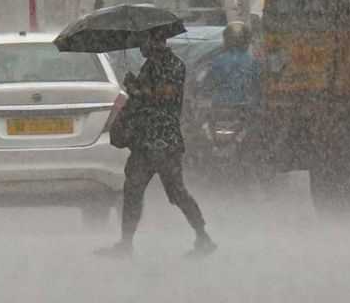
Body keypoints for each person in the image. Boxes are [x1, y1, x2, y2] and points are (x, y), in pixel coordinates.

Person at [97, 32, 215, 258]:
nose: (140, 47)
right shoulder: (149, 66)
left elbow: (166, 95)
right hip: (144, 141)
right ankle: (126, 243)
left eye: (143, 42)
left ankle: (203, 236)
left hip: (163, 141)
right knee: (133, 190)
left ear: (155, 42)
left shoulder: (174, 65)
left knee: (176, 192)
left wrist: (138, 90)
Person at [200, 21, 261, 109]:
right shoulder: (253, 61)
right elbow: (257, 85)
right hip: (246, 106)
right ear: (246, 40)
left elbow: (208, 83)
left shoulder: (218, 60)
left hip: (221, 104)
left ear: (226, 39)